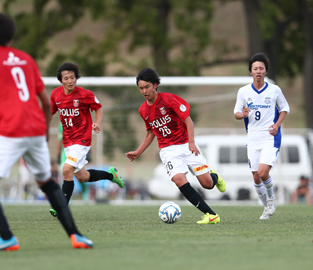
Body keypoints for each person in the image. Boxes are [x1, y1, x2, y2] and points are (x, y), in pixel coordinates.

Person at [0, 13, 93, 251]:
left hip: (12, 130)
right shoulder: (26, 60)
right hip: (34, 129)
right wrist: (43, 131)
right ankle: (76, 236)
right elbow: (44, 102)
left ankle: (6, 238)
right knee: (48, 184)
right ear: (12, 34)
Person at [125, 68, 226, 224]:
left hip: (186, 145)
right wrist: (138, 152)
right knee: (179, 179)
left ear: (155, 85)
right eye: (141, 88)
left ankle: (214, 176)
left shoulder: (170, 100)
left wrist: (191, 142)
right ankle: (210, 215)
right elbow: (151, 132)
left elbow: (188, 121)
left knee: (207, 184)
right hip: (168, 150)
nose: (144, 91)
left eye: (147, 87)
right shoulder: (143, 110)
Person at [49, 62, 124, 217]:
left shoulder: (84, 94)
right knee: (82, 177)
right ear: (60, 80)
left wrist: (97, 123)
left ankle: (61, 206)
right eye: (66, 78)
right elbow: (49, 113)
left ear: (76, 78)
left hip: (82, 140)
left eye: (72, 77)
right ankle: (111, 175)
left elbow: (98, 109)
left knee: (66, 170)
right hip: (68, 142)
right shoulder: (55, 95)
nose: (70, 81)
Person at [234, 53, 290, 220]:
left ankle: (271, 199)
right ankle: (266, 207)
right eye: (255, 68)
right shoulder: (243, 91)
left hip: (270, 138)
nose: (258, 71)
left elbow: (284, 108)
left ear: (266, 71)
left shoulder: (274, 90)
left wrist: (277, 125)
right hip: (252, 138)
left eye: (261, 68)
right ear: (250, 71)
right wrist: (242, 114)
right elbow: (236, 113)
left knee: (263, 172)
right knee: (256, 177)